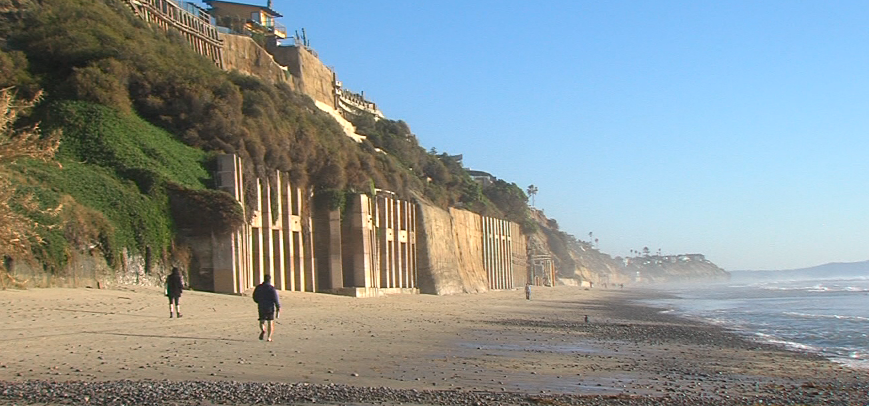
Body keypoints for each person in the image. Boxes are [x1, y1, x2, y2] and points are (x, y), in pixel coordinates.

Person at [253, 274, 281, 342]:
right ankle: (269, 338)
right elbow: (275, 298)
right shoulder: (271, 288)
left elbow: (254, 296)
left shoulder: (259, 287)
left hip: (261, 306)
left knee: (261, 321)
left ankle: (263, 330)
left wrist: (258, 301)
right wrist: (278, 306)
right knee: (270, 322)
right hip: (270, 307)